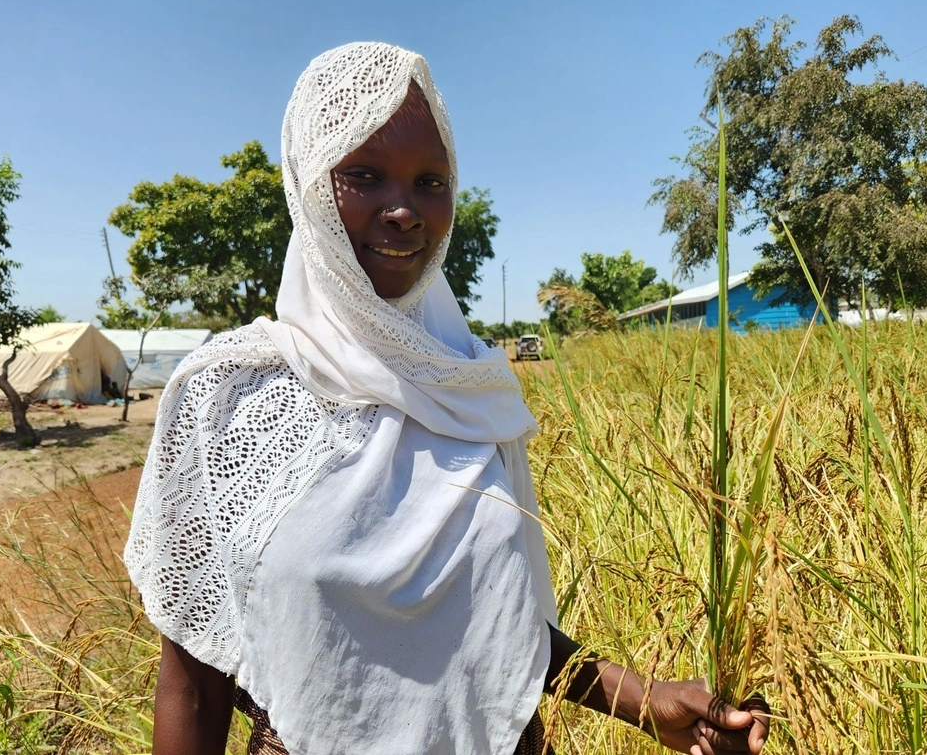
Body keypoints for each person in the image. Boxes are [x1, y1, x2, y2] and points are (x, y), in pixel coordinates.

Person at [124, 42, 770, 755]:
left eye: (430, 181)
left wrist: (646, 700)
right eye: (363, 174)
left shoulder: (471, 384)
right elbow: (192, 679)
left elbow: (490, 622)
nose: (404, 210)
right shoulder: (226, 394)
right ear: (307, 182)